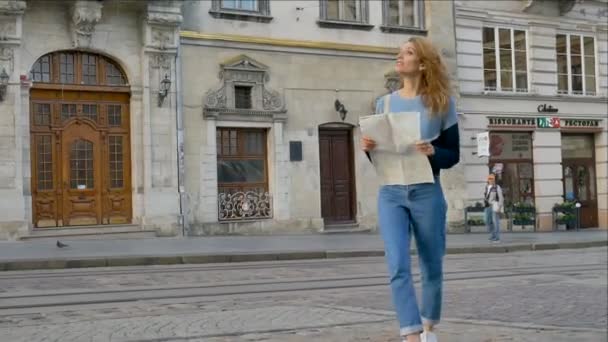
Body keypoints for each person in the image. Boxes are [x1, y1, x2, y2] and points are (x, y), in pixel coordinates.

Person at [361, 37, 459, 342]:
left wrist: (432, 151)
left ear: (423, 63)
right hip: (391, 191)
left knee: (431, 264)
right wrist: (368, 148)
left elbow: (452, 154)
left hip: (426, 190)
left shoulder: (441, 103)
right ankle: (411, 333)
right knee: (397, 264)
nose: (399, 56)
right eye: (400, 52)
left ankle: (429, 325)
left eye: (408, 52)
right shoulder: (384, 103)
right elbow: (379, 155)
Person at [484, 173, 504, 242]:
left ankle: (497, 237)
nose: (490, 180)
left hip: (494, 206)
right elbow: (486, 196)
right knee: (488, 221)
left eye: (492, 179)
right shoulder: (487, 187)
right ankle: (493, 235)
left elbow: (501, 197)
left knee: (496, 222)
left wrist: (499, 207)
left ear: (494, 179)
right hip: (487, 206)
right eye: (489, 178)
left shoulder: (497, 187)